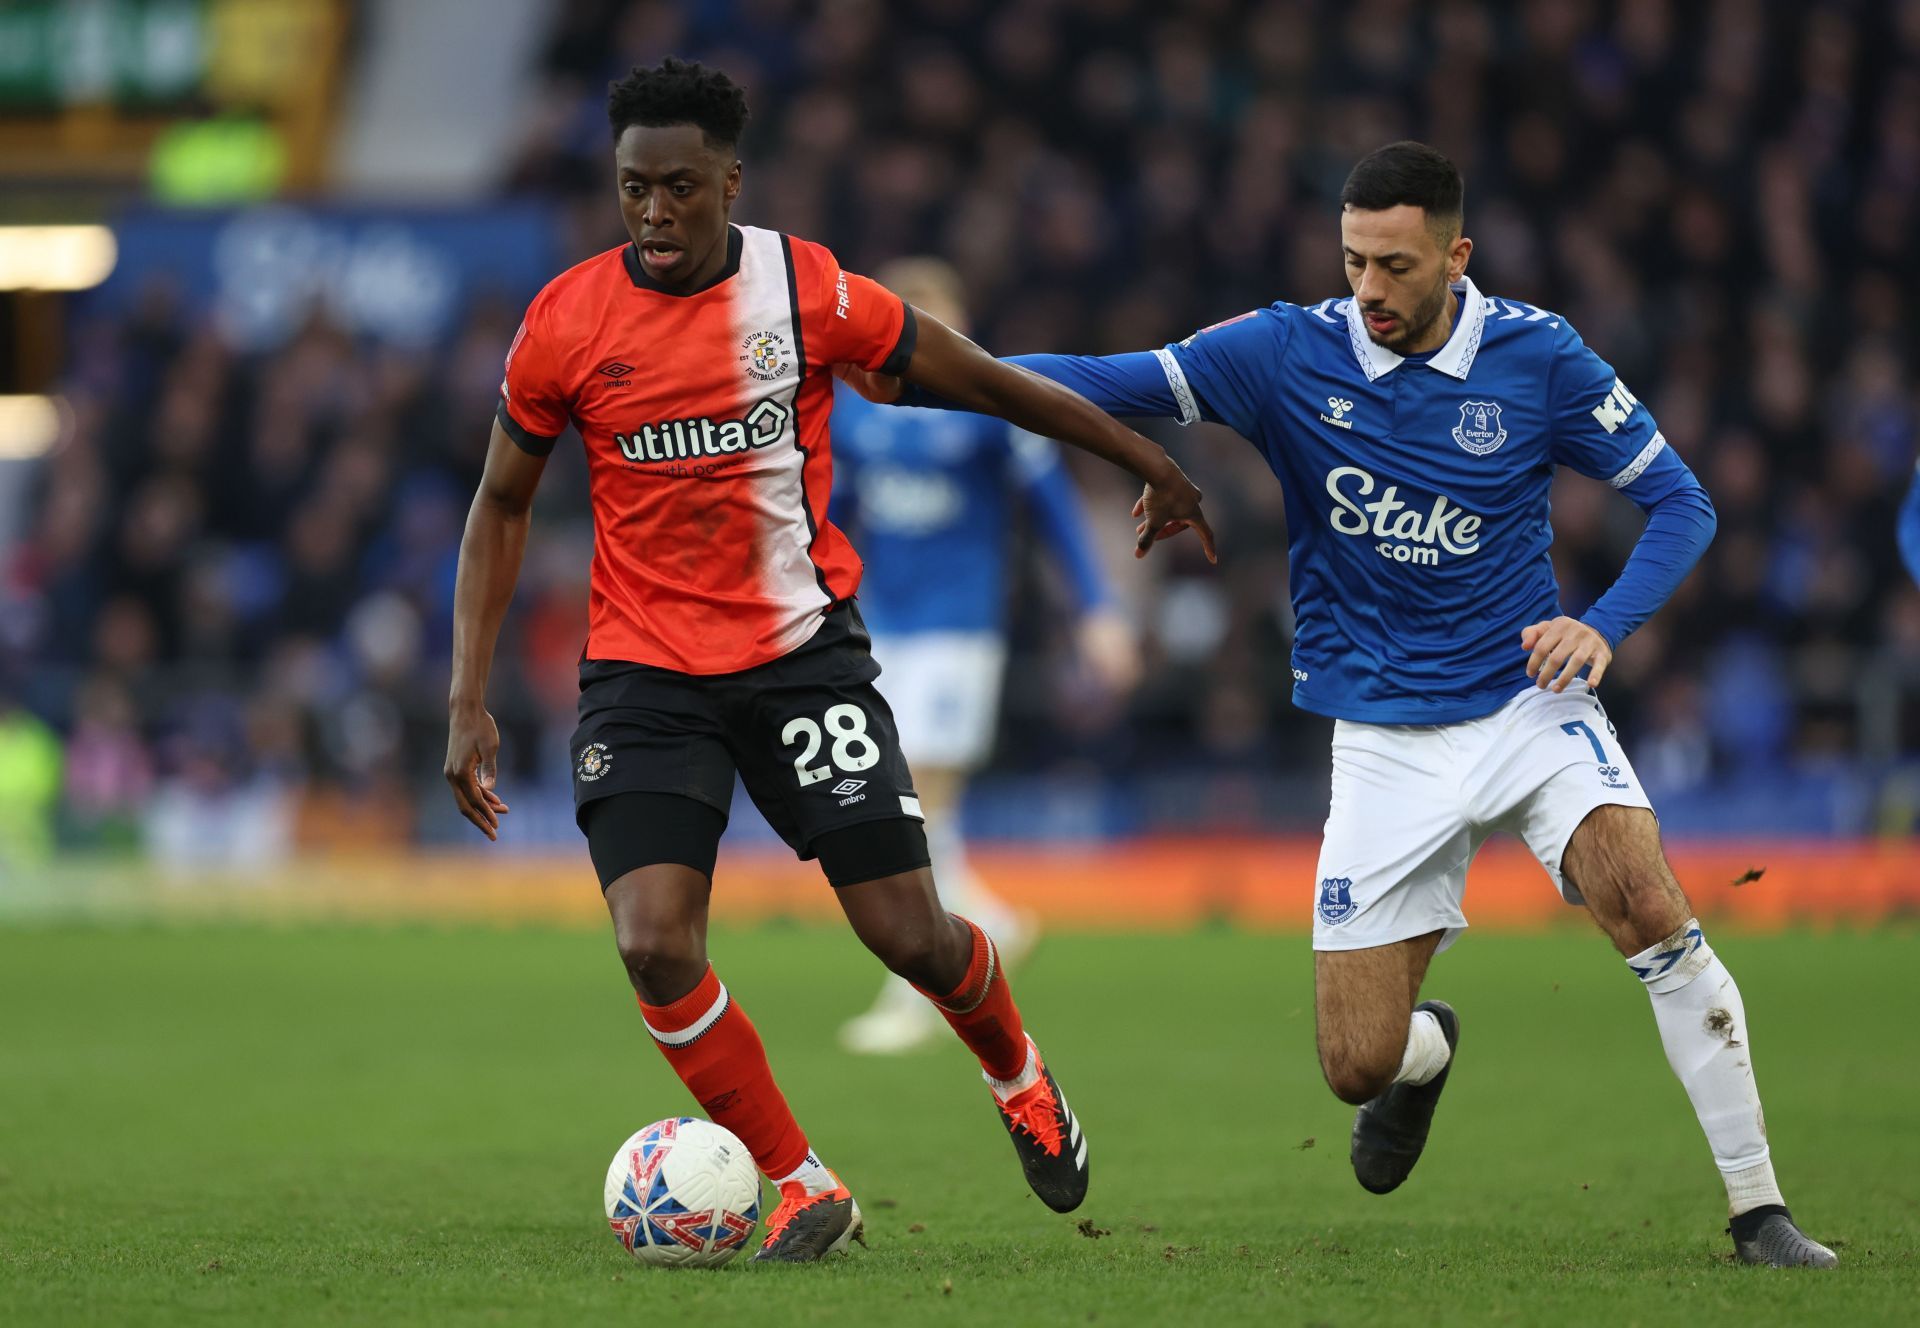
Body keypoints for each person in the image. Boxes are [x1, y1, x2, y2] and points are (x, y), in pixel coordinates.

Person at [843, 141, 1835, 1268]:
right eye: (1355, 260)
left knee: (1642, 897)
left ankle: (1761, 1212)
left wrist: (1600, 626)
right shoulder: (1284, 351)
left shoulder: (1539, 357)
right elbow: (1101, 375)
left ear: (1456, 257)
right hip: (1378, 742)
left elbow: (1681, 502)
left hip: (1525, 704)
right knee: (1355, 1063)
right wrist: (916, 365)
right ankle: (1426, 1055)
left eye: (1397, 265)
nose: (1370, 288)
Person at [442, 58, 1214, 1264]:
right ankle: (804, 1182)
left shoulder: (807, 293)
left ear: (731, 182)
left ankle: (1016, 1067)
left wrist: (1142, 457)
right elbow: (498, 504)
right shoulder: (566, 321)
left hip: (801, 658)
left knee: (910, 932)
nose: (653, 213)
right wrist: (467, 698)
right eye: (633, 187)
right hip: (643, 675)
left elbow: (987, 382)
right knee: (652, 938)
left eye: (679, 188)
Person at [829, 256, 1140, 1055]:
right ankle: (987, 924)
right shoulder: (855, 411)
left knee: (909, 807)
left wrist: (1097, 611)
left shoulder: (985, 402)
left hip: (959, 629)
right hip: (880, 629)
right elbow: (830, 512)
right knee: (903, 807)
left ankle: (914, 990)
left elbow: (1055, 510)